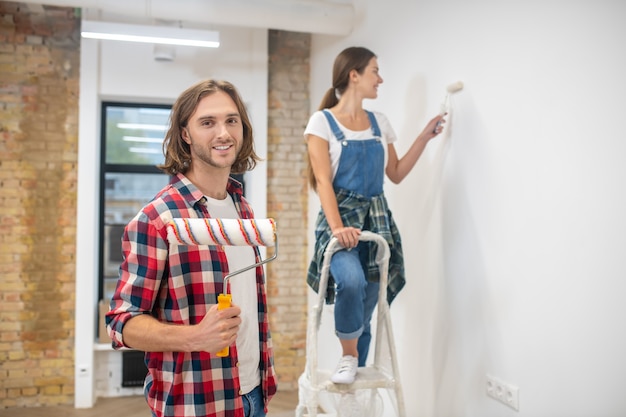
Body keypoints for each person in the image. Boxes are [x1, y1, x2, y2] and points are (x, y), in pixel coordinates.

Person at [106, 79, 277, 417]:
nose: (223, 133)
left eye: (231, 120)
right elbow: (121, 323)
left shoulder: (244, 212)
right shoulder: (158, 219)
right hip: (196, 404)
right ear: (185, 134)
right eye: (207, 122)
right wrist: (197, 337)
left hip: (254, 396)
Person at [305, 47, 446, 384]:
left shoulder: (379, 122)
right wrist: (338, 230)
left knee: (368, 305)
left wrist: (425, 138)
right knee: (350, 281)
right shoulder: (321, 122)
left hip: (377, 221)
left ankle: (356, 388)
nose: (379, 79)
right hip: (339, 222)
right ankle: (348, 356)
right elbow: (323, 180)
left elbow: (395, 173)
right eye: (374, 71)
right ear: (354, 74)